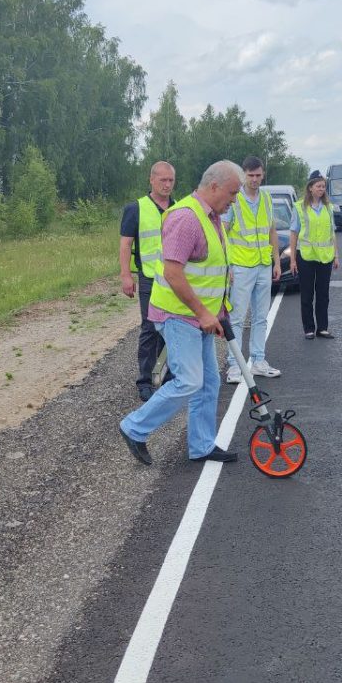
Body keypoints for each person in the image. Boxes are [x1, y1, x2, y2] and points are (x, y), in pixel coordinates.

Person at [118, 160, 244, 466]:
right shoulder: (187, 218)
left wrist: (219, 309)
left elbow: (210, 271)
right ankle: (134, 427)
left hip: (198, 317)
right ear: (214, 187)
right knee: (188, 380)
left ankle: (201, 445)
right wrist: (203, 313)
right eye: (232, 192)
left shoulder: (211, 216)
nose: (234, 200)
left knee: (208, 382)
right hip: (177, 315)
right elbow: (173, 273)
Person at [221, 155, 282, 384]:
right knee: (236, 318)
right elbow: (223, 233)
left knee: (260, 317)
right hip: (241, 267)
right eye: (250, 175)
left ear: (262, 174)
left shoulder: (266, 199)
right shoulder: (235, 200)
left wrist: (276, 261)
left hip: (263, 265)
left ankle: (258, 360)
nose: (255, 179)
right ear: (243, 175)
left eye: (258, 175)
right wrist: (227, 267)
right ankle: (235, 365)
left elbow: (271, 231)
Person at [119, 160, 176, 401]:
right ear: (151, 180)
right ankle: (145, 380)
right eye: (162, 180)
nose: (167, 185)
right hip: (150, 278)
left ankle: (166, 375)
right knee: (150, 328)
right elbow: (125, 244)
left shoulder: (180, 207)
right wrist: (125, 275)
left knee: (173, 328)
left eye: (171, 180)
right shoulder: (137, 208)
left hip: (175, 279)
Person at [289, 170, 339, 339]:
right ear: (310, 188)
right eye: (318, 186)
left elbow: (332, 233)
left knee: (323, 294)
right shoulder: (299, 207)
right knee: (307, 294)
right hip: (306, 256)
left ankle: (322, 328)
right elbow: (294, 233)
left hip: (325, 256)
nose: (321, 189)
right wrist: (293, 260)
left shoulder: (328, 208)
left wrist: (336, 256)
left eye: (323, 186)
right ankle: (309, 329)